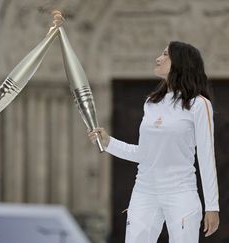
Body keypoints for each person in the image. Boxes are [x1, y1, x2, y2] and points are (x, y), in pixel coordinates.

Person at [88, 41, 219, 243]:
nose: (158, 58)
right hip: (144, 190)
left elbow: (206, 156)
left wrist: (212, 206)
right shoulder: (152, 103)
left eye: (166, 54)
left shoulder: (199, 105)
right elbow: (145, 154)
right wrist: (109, 142)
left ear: (181, 62)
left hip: (180, 193)